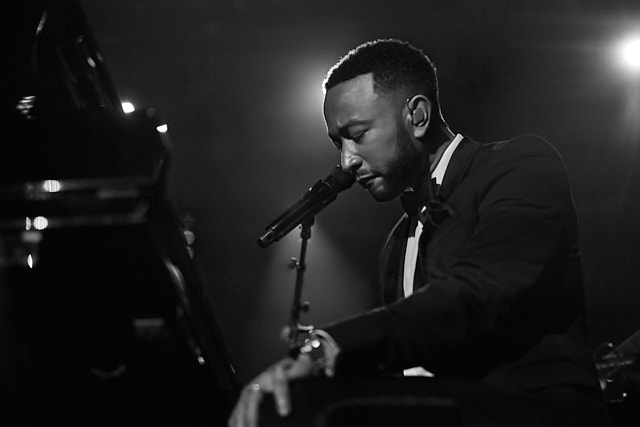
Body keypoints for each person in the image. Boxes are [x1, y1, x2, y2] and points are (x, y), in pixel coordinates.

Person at [228, 38, 612, 427]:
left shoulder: (520, 165)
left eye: (358, 134)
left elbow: (479, 293)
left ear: (418, 115)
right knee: (283, 404)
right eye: (337, 142)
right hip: (447, 411)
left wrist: (328, 347)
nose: (346, 161)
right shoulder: (398, 239)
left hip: (535, 414)